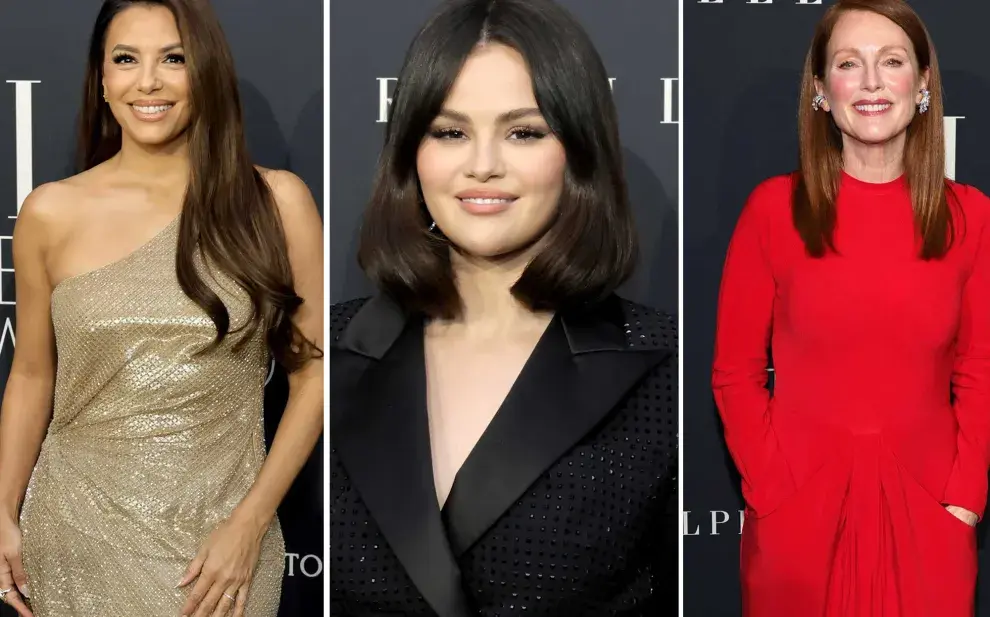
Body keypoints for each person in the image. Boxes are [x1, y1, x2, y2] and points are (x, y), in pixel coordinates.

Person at [328, 1, 678, 616]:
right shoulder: (330, 349)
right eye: (450, 131)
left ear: (578, 152)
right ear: (412, 152)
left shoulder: (663, 366)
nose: (482, 164)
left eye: (524, 132)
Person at [0, 1, 324, 616]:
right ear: (101, 79)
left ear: (205, 71)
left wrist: (251, 523)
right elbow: (32, 375)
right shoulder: (49, 213)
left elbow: (315, 377)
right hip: (74, 533)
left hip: (222, 550)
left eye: (173, 59)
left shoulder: (275, 203)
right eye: (126, 59)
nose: (147, 81)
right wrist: (2, 511)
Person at [712, 1, 989, 615]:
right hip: (797, 520)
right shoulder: (773, 211)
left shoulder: (971, 218)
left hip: (929, 519)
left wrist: (963, 499)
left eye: (891, 62)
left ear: (921, 85)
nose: (869, 82)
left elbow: (980, 369)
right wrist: (773, 490)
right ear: (820, 88)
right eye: (848, 63)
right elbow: (734, 371)